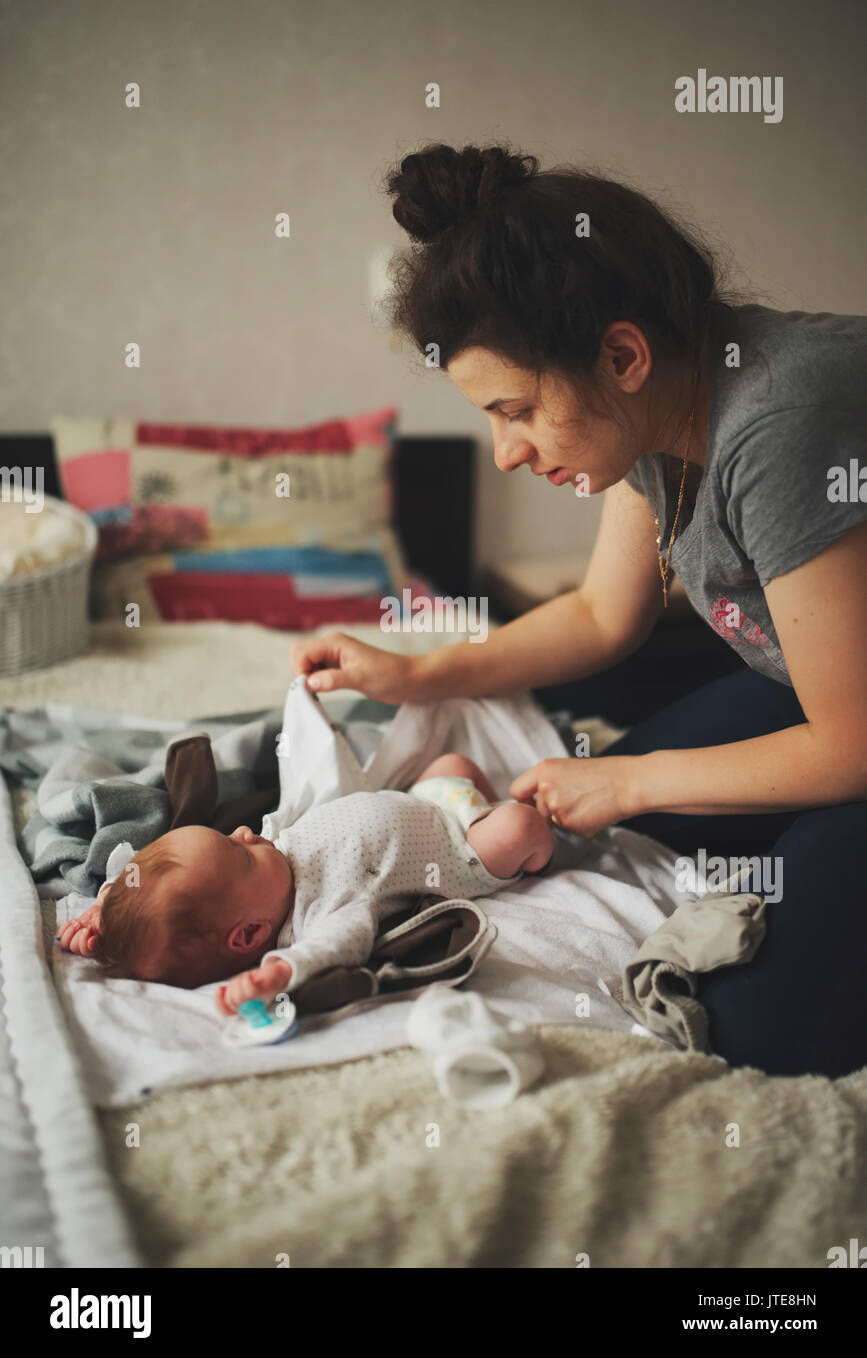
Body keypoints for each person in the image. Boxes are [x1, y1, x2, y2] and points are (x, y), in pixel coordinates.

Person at [290, 143, 867, 1079]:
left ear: (620, 354)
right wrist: (418, 672)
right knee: (592, 818)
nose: (506, 452)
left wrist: (636, 783)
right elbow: (603, 614)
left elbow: (854, 741)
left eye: (515, 409)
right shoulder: (657, 408)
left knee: (763, 1026)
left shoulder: (779, 425)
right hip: (828, 690)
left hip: (853, 720)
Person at [55, 752, 554, 1012]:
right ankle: (538, 843)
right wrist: (285, 971)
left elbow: (146, 873)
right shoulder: (315, 915)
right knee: (520, 827)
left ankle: (484, 800)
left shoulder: (269, 858)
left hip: (427, 798)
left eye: (233, 835)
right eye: (237, 849)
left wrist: (110, 909)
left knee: (455, 765)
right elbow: (344, 944)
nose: (246, 832)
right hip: (464, 848)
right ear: (249, 935)